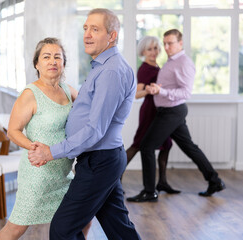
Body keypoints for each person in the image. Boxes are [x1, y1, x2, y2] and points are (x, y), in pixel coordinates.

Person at [28, 9, 141, 240]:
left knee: (62, 229)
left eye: (95, 29)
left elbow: (94, 130)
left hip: (100, 161)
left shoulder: (111, 71)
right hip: (102, 159)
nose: (87, 35)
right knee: (119, 228)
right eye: (85, 28)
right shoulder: (102, 66)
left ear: (112, 36)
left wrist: (51, 152)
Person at [0, 38, 91, 240]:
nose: (53, 61)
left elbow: (88, 107)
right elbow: (13, 130)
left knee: (83, 217)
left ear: (63, 63)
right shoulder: (30, 93)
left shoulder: (66, 89)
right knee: (17, 227)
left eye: (58, 57)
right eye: (46, 57)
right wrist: (34, 148)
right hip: (38, 173)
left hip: (63, 172)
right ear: (37, 64)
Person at [127, 29, 226, 203]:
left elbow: (186, 92)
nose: (166, 47)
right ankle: (215, 181)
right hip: (169, 111)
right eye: (164, 43)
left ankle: (150, 192)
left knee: (147, 147)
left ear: (180, 43)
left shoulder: (184, 62)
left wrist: (160, 90)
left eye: (170, 43)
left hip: (171, 112)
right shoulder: (171, 61)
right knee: (190, 147)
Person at [124, 36, 180, 194]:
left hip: (160, 110)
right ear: (143, 51)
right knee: (137, 145)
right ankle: (116, 179)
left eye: (155, 48)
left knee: (167, 145)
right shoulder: (145, 69)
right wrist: (147, 90)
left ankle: (162, 182)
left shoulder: (156, 66)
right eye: (150, 49)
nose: (153, 52)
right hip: (150, 110)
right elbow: (136, 94)